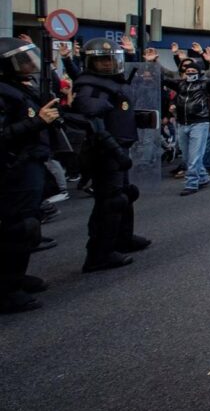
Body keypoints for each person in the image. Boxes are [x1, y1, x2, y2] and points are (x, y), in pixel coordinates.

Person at [71, 38, 152, 273]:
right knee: (110, 201)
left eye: (110, 59)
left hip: (119, 148)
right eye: (101, 60)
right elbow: (93, 125)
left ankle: (122, 239)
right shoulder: (91, 87)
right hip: (106, 152)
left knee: (125, 195)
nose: (107, 64)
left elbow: (115, 114)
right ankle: (99, 254)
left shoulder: (113, 83)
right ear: (90, 62)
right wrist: (115, 152)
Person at [0, 38, 58, 314]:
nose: (28, 65)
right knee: (17, 229)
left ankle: (17, 278)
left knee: (28, 225)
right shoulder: (3, 92)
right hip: (13, 170)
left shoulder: (21, 89)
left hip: (30, 165)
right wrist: (37, 122)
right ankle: (7, 291)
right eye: (21, 61)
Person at [162, 49, 210, 196]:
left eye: (192, 70)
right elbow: (163, 79)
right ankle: (202, 177)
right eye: (187, 70)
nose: (189, 73)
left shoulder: (205, 85)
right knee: (187, 156)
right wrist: (151, 63)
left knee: (195, 155)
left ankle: (191, 183)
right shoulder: (180, 85)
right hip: (182, 123)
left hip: (200, 123)